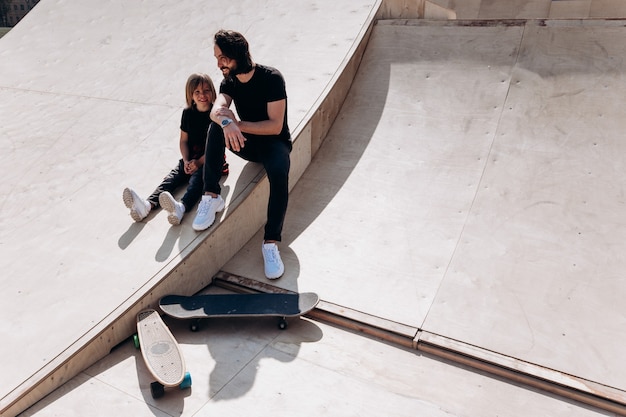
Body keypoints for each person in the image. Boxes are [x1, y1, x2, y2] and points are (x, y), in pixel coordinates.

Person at [193, 29, 292, 280]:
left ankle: (270, 242)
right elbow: (217, 110)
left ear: (237, 54)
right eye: (216, 58)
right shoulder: (229, 81)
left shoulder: (271, 78)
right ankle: (211, 194)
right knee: (216, 127)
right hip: (246, 143)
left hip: (273, 143)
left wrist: (239, 124)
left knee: (279, 172)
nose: (218, 64)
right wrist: (227, 123)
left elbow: (275, 126)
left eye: (222, 58)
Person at [123, 73, 228, 225]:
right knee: (171, 179)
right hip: (190, 158)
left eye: (206, 90)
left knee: (196, 182)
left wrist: (199, 163)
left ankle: (181, 207)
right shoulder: (188, 113)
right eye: (197, 92)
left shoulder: (215, 114)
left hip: (210, 161)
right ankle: (146, 206)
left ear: (212, 91)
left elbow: (218, 148)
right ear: (190, 94)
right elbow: (183, 140)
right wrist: (186, 160)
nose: (202, 95)